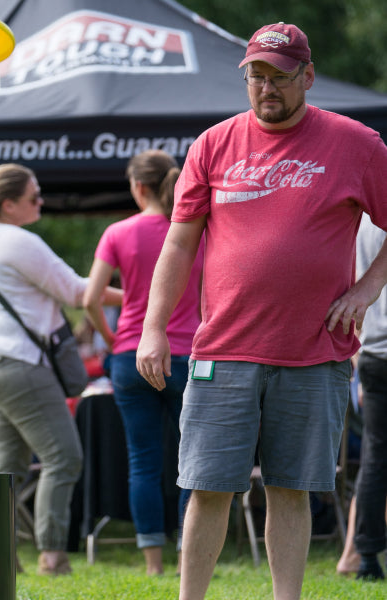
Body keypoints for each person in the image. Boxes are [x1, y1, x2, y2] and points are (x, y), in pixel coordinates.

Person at [135, 23, 387, 600]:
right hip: (223, 348)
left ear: (308, 76)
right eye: (256, 75)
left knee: (291, 489)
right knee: (207, 487)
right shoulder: (214, 143)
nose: (266, 87)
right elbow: (179, 242)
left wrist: (366, 289)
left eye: (279, 75)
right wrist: (153, 329)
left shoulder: (357, 144)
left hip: (313, 350)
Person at [0, 163, 121, 576]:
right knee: (63, 457)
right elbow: (78, 292)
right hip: (18, 363)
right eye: (35, 197)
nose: (42, 201)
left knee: (7, 467)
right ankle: (52, 556)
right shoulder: (18, 240)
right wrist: (145, 295)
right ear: (10, 204)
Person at [84, 150, 203, 576]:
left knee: (143, 460)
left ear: (137, 187)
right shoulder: (195, 231)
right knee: (194, 459)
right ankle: (192, 556)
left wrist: (114, 338)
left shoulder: (118, 232)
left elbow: (89, 298)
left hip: (131, 356)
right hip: (187, 354)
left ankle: (153, 562)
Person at [350, 213, 387, 581]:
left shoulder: (360, 219)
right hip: (374, 354)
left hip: (374, 353)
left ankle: (367, 557)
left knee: (376, 458)